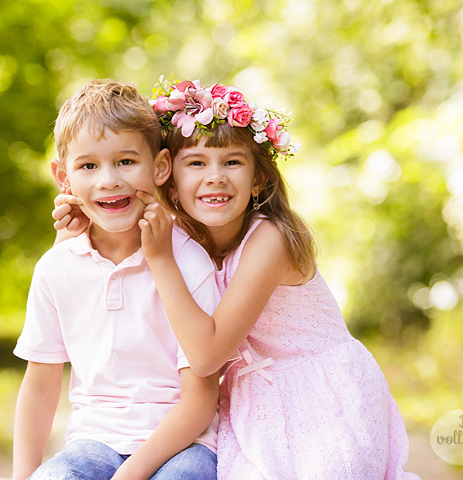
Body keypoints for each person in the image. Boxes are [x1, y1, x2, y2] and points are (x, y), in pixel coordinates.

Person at [53, 78, 420, 479]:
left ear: (259, 178)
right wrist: (83, 221)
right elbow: (120, 222)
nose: (215, 177)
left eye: (232, 162)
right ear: (168, 176)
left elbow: (207, 355)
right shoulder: (187, 235)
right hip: (253, 402)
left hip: (318, 397)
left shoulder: (270, 240)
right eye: (196, 163)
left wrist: (160, 259)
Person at [13, 79, 222, 480]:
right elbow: (40, 387)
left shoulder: (188, 260)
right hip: (95, 442)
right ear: (63, 176)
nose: (108, 180)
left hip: (185, 445)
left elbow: (200, 401)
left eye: (125, 162)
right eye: (88, 166)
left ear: (160, 167)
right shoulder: (56, 268)